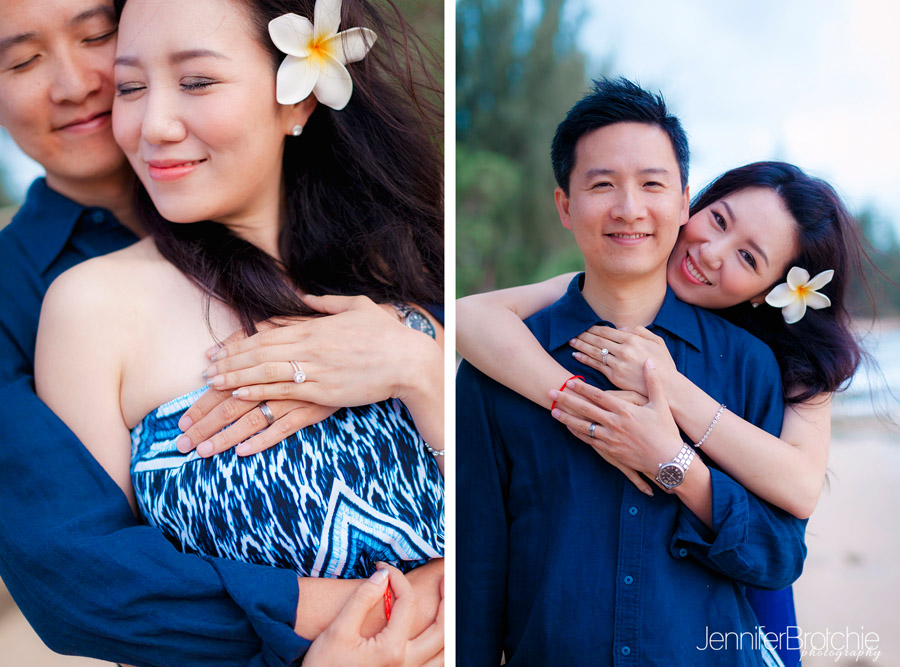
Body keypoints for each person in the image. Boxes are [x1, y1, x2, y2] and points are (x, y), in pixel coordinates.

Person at [0, 0, 442, 664]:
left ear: (298, 99)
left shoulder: (403, 265)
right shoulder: (88, 306)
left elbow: (512, 516)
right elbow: (98, 588)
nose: (153, 124)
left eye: (197, 81)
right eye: (131, 87)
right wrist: (383, 609)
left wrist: (422, 373)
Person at [459, 160, 866, 667]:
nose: (711, 253)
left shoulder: (786, 362)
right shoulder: (609, 290)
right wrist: (580, 404)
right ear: (692, 203)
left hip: (748, 593)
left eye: (747, 256)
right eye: (718, 219)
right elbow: (469, 317)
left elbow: (801, 489)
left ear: (772, 291)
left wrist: (667, 396)